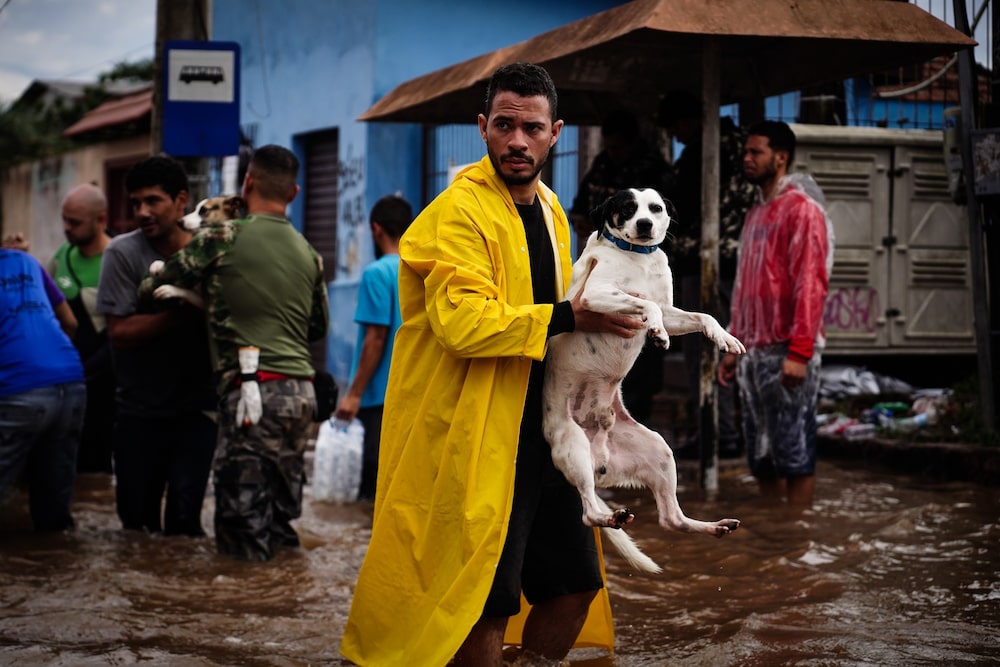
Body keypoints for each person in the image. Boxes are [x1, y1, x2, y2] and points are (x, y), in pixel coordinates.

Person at [341, 62, 645, 667]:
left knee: (575, 587)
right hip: (477, 433)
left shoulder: (555, 211)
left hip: (549, 428)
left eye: (531, 128)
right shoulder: (457, 212)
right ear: (482, 127)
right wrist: (567, 318)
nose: (516, 141)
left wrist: (602, 393)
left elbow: (571, 316)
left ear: (554, 132)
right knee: (485, 599)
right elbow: (464, 325)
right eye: (503, 125)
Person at [138, 145, 329, 562]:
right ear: (294, 192)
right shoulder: (308, 253)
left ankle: (242, 620)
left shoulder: (221, 236)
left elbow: (152, 288)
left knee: (242, 528)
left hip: (252, 394)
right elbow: (317, 328)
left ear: (247, 183)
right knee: (280, 520)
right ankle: (285, 609)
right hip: (302, 397)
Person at [96, 156, 218, 536]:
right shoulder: (123, 254)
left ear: (181, 200)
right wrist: (181, 311)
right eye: (136, 203)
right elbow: (119, 332)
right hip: (139, 412)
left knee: (185, 526)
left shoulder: (210, 249)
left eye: (153, 201)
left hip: (197, 411)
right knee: (137, 527)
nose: (142, 212)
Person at [717, 121, 832, 506]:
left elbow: (811, 285)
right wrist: (733, 347)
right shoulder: (755, 215)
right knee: (762, 457)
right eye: (746, 152)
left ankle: (796, 537)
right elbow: (745, 291)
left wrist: (800, 353)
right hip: (754, 356)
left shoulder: (803, 211)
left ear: (780, 158)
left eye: (756, 152)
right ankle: (774, 535)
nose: (746, 159)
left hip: (788, 351)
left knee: (795, 453)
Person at [658, 90, 756, 457]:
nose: (678, 135)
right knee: (710, 349)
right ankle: (717, 433)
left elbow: (689, 206)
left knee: (709, 349)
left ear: (694, 118)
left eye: (678, 127)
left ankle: (720, 436)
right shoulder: (722, 147)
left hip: (714, 261)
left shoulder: (717, 149)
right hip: (715, 260)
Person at [567, 108, 675, 424]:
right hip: (609, 260)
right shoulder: (602, 164)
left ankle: (636, 417)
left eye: (617, 145)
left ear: (631, 141)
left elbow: (665, 219)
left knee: (645, 340)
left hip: (647, 263)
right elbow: (581, 207)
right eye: (608, 145)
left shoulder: (653, 171)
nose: (612, 151)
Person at [333, 194, 412, 501]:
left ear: (375, 229)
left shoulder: (376, 273)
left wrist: (352, 394)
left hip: (378, 399)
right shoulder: (419, 271)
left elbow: (375, 339)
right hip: (410, 393)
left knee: (372, 492)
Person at [0, 247, 86, 531]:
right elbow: (70, 323)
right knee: (54, 516)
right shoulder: (26, 260)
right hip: (70, 379)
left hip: (21, 389)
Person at [48, 183, 115, 473]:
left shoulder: (117, 258)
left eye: (74, 222)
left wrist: (87, 372)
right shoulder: (61, 256)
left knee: (97, 462)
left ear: (100, 220)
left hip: (105, 383)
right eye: (64, 219)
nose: (66, 228)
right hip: (67, 381)